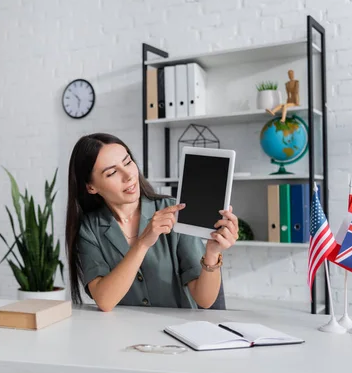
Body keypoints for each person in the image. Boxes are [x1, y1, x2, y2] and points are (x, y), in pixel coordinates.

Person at [65, 133, 239, 312]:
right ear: (91, 187)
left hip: (175, 333)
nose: (128, 176)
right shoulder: (89, 229)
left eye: (127, 162)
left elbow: (205, 300)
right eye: (112, 172)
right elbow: (105, 300)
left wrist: (212, 253)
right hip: (124, 335)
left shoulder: (173, 211)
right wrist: (142, 243)